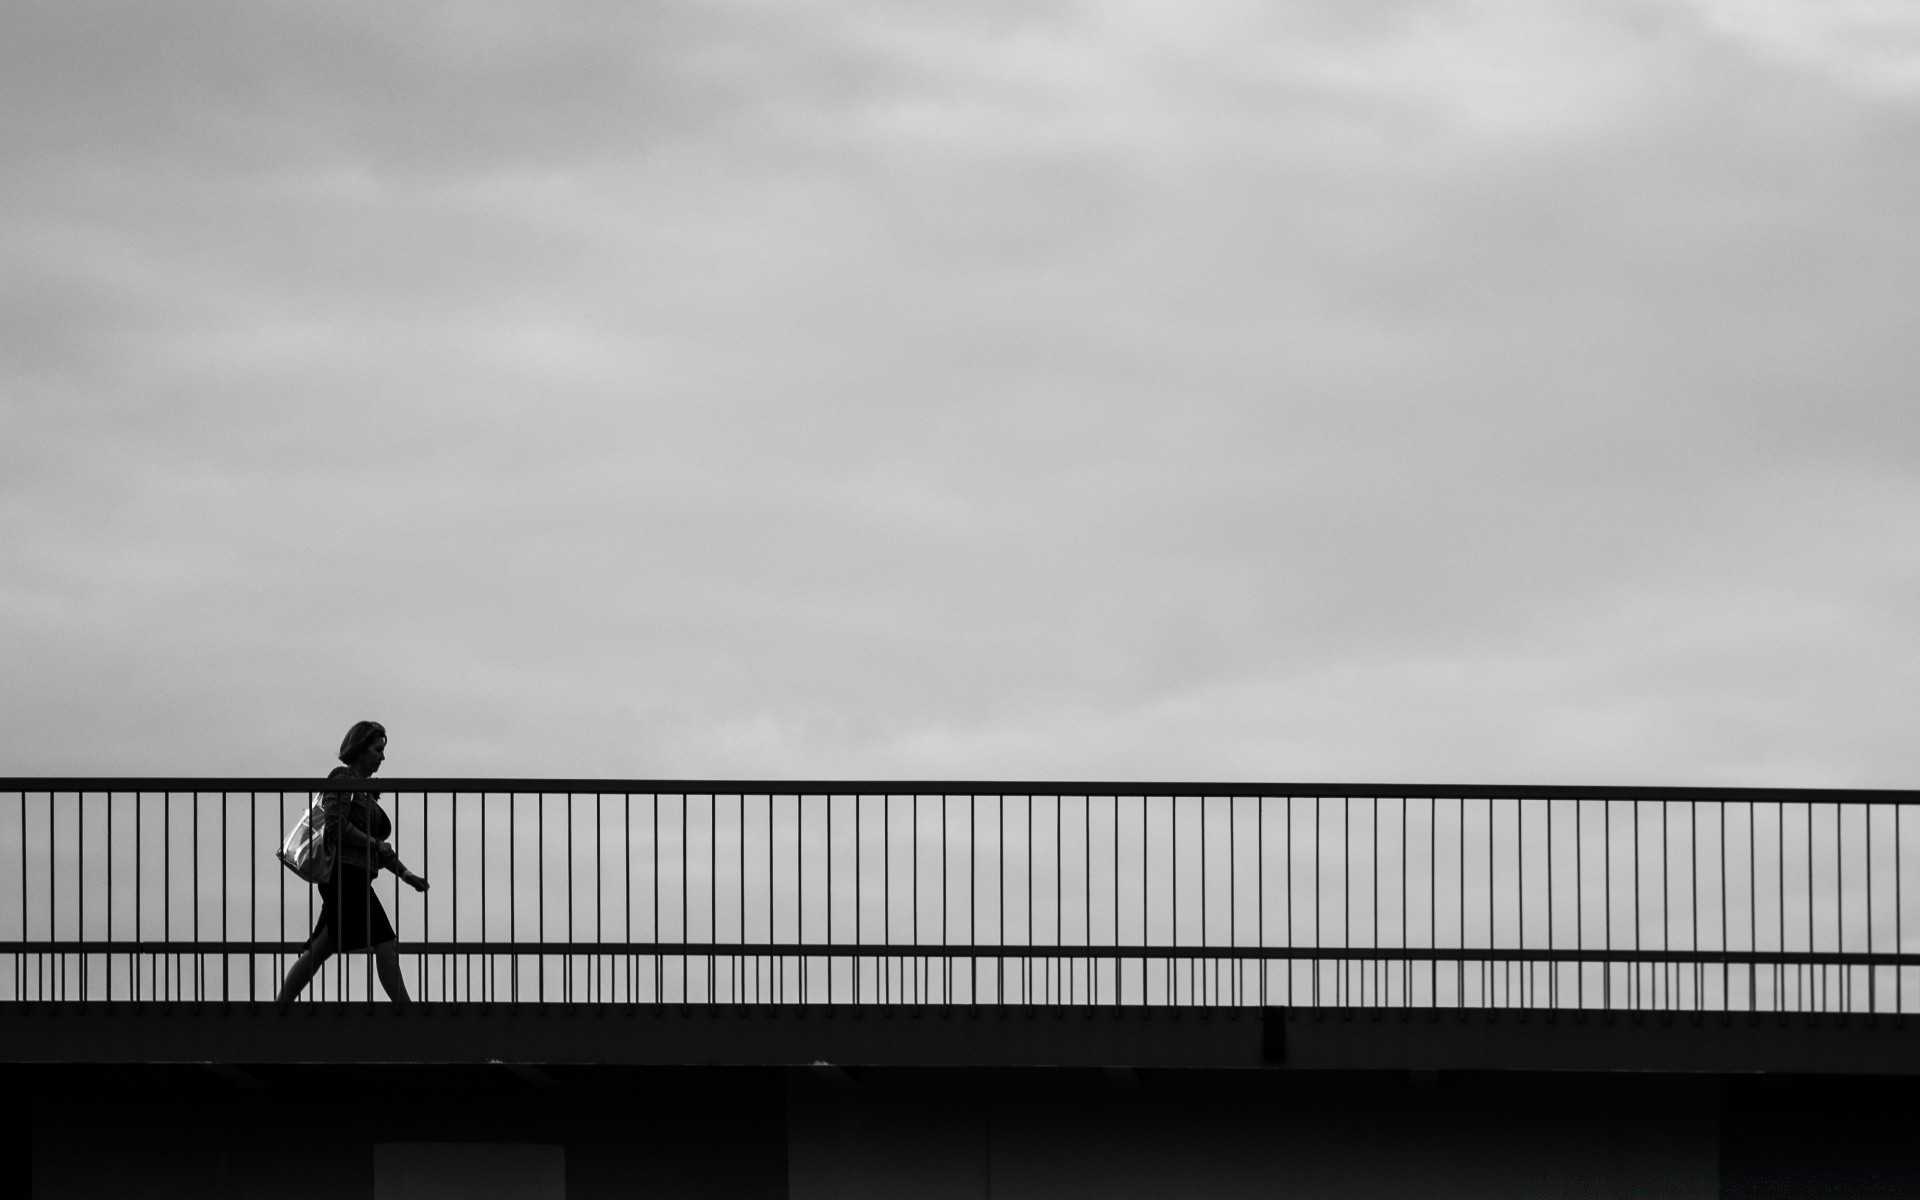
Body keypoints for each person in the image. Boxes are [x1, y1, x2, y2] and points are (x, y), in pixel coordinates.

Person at [277, 720, 429, 1006]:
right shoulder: (342, 779)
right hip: (345, 877)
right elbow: (336, 827)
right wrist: (373, 844)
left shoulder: (365, 792)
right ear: (360, 751)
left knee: (321, 948)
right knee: (385, 943)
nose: (382, 757)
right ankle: (407, 1012)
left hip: (355, 877)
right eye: (377, 749)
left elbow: (376, 849)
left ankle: (279, 1008)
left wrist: (406, 874)